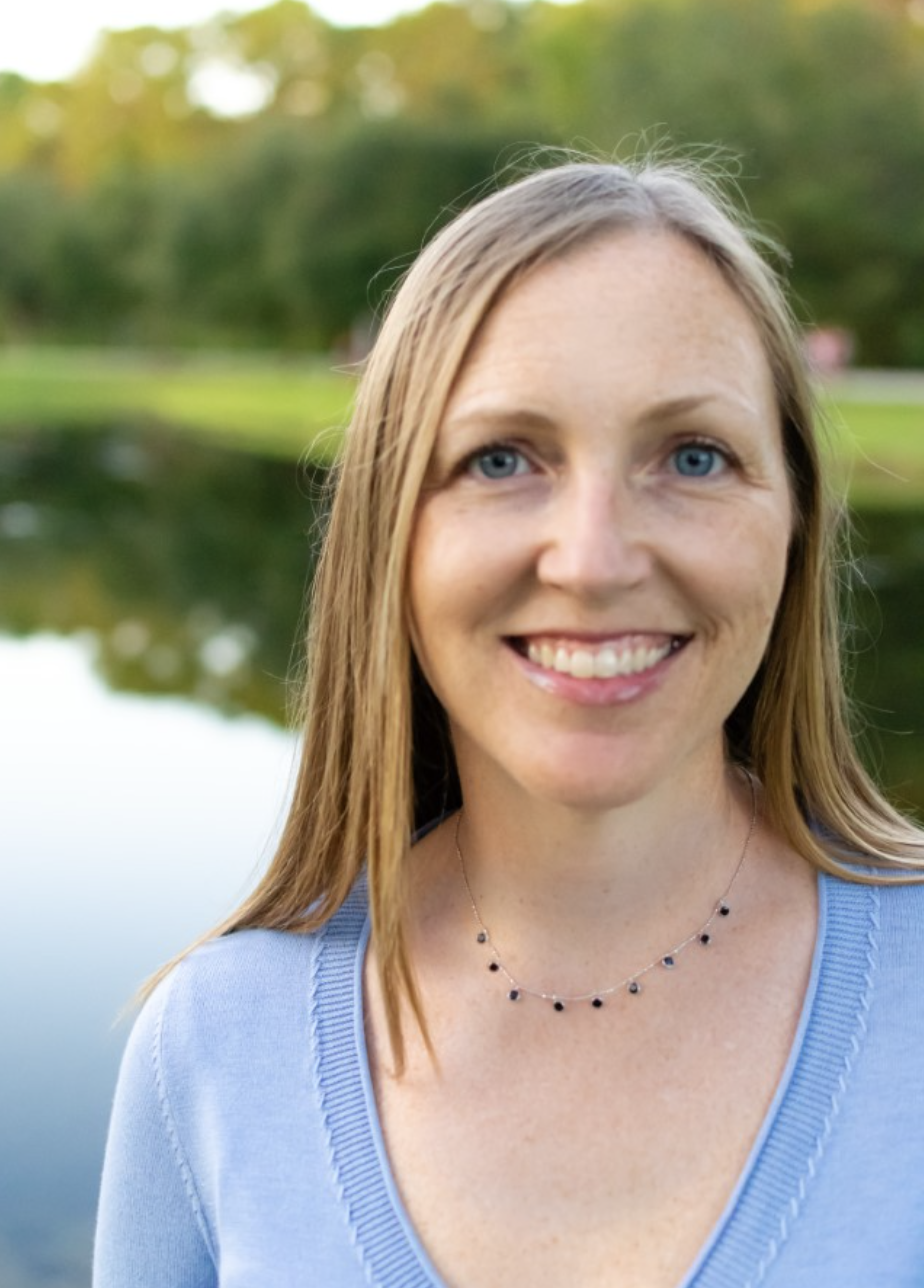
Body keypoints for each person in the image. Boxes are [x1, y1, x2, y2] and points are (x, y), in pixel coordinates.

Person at [94, 155, 924, 1288]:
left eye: (693, 456)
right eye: (500, 460)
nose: (593, 560)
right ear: (390, 533)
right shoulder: (216, 1045)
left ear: (794, 518)